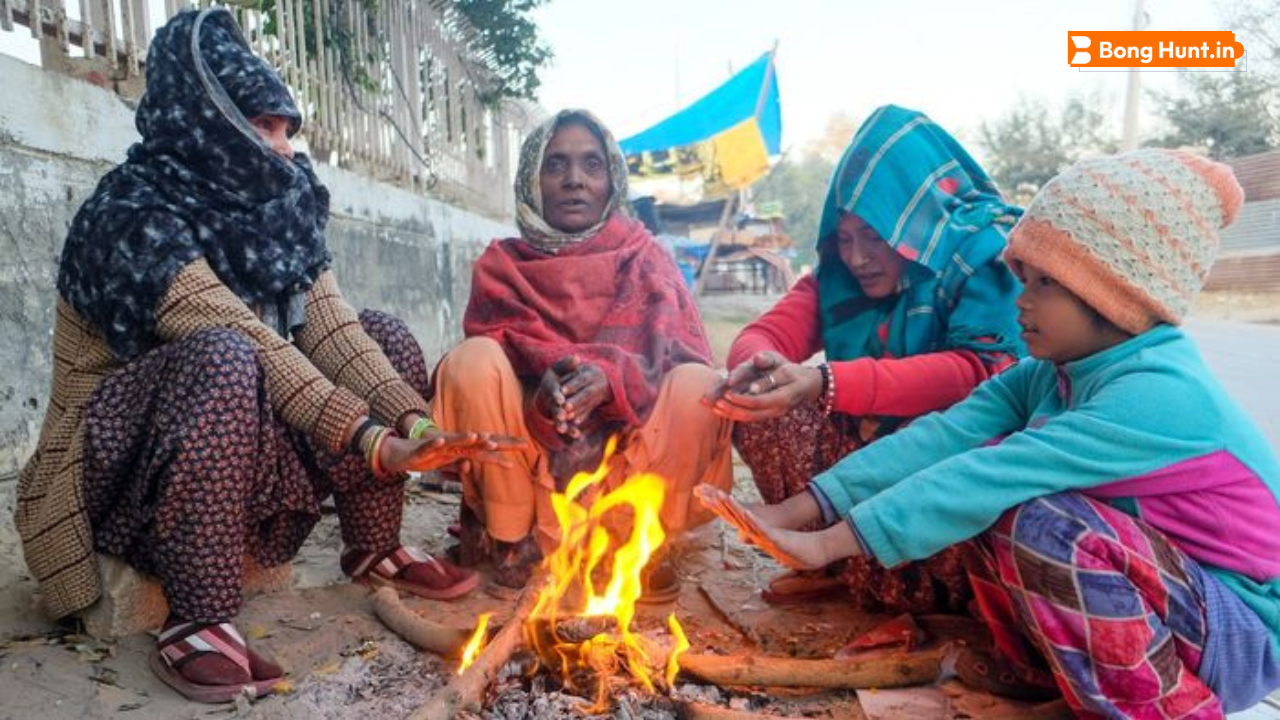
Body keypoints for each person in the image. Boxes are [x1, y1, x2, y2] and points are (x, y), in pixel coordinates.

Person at [14, 8, 517, 704]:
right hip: (112, 475)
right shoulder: (128, 216)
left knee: (384, 334)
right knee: (223, 356)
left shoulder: (277, 208)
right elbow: (245, 339)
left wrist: (417, 428)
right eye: (262, 126)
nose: (282, 149)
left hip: (224, 444)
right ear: (203, 118)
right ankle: (197, 616)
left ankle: (375, 546)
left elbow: (336, 333)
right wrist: (371, 440)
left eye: (287, 129)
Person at [699, 148, 1280, 717]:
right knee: (994, 506)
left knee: (1043, 523)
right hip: (1179, 604)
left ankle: (1165, 707)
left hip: (1240, 633)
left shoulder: (1156, 395)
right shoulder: (1050, 375)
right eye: (1021, 277)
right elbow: (946, 436)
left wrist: (827, 544)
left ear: (1113, 292)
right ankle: (1044, 681)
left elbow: (990, 474)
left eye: (1044, 283)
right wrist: (797, 511)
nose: (1020, 302)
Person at [706, 105, 1025, 612]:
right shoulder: (839, 275)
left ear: (916, 223)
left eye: (876, 236)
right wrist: (760, 368)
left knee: (953, 453)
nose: (857, 258)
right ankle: (837, 567)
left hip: (947, 457)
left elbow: (977, 374)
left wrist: (824, 382)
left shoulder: (984, 257)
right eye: (846, 239)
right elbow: (766, 333)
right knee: (759, 411)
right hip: (865, 457)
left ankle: (919, 592)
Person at [432, 109, 734, 594]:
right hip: (534, 463)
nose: (574, 180)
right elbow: (499, 360)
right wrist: (542, 387)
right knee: (471, 360)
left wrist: (610, 382)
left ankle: (643, 541)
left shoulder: (647, 257)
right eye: (556, 165)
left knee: (700, 384)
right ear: (532, 180)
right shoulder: (501, 265)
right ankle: (512, 539)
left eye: (591, 165)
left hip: (628, 462)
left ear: (612, 179)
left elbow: (677, 356)